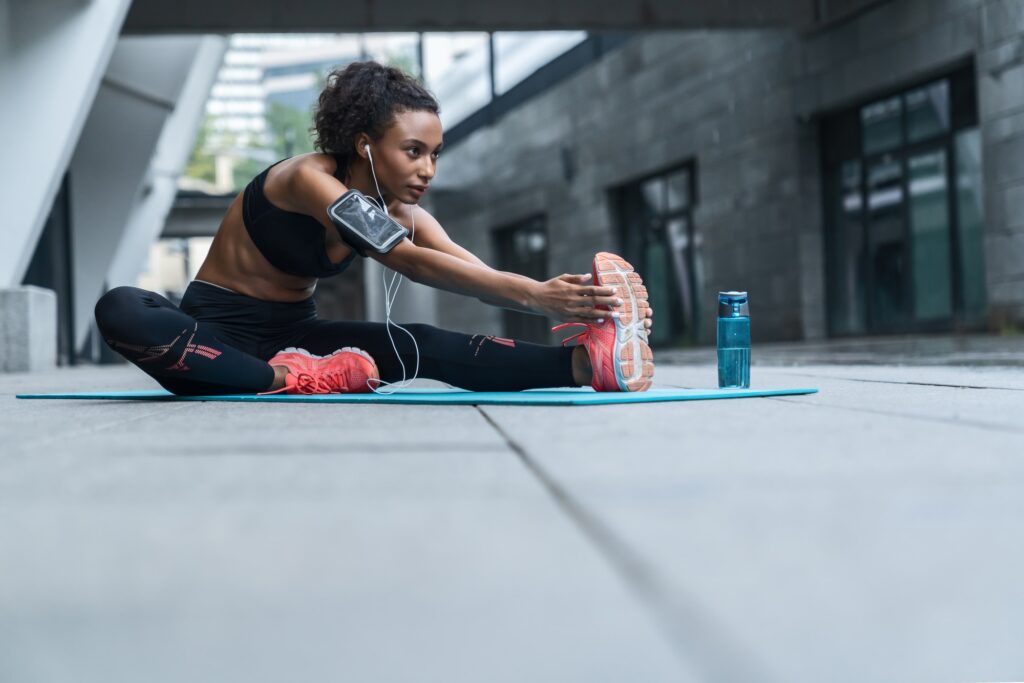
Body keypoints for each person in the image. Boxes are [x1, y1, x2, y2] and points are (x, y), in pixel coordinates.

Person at [94, 61, 655, 396]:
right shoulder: (306, 179)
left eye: (435, 154)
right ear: (364, 143)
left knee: (423, 343)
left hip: (300, 340)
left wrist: (581, 303)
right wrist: (536, 296)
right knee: (121, 307)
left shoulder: (404, 210)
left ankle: (588, 365)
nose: (427, 170)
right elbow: (404, 259)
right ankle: (284, 381)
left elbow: (472, 271)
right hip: (211, 338)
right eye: (413, 151)